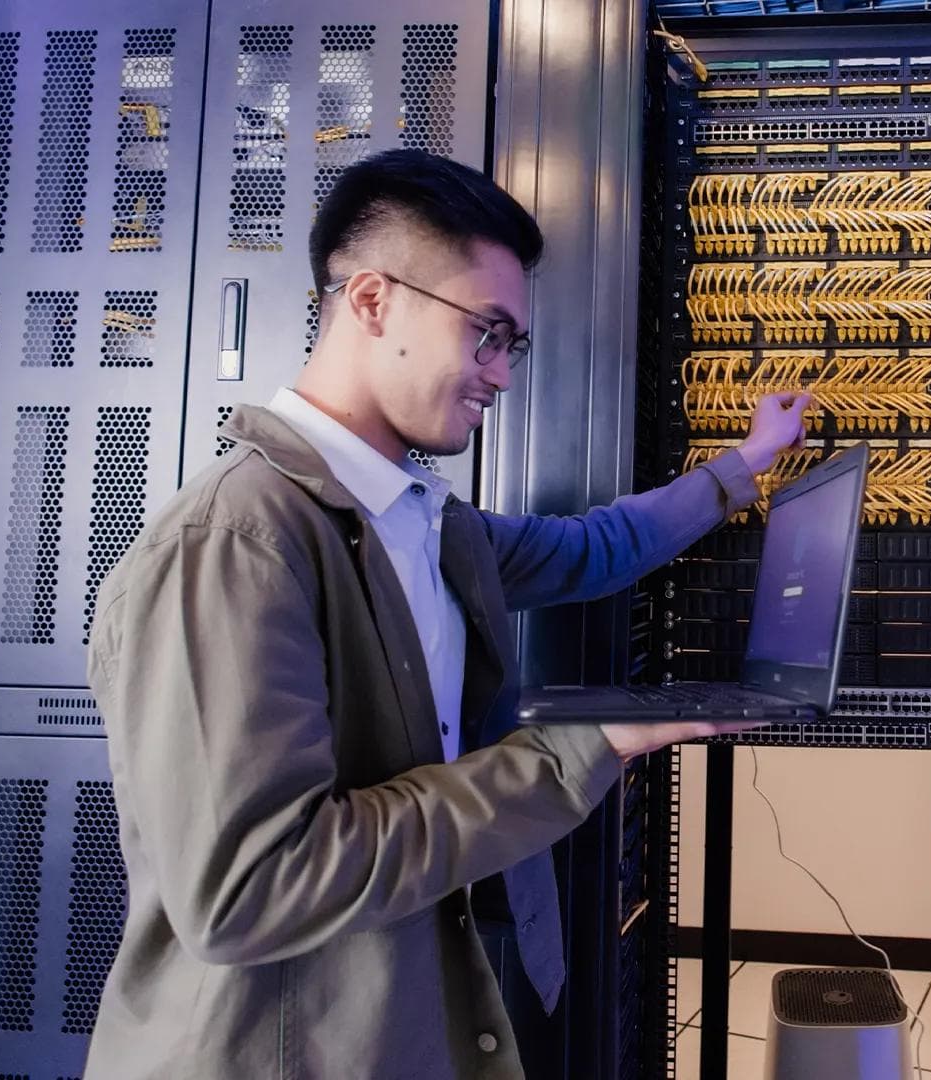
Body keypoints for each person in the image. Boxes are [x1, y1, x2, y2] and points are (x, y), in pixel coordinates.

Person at [82, 148, 812, 1078]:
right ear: (372, 300)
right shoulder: (234, 545)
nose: (500, 375)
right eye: (487, 334)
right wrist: (585, 745)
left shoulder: (426, 523)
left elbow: (594, 549)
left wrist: (748, 463)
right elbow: (249, 889)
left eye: (513, 346)